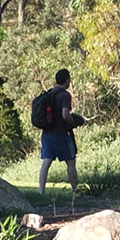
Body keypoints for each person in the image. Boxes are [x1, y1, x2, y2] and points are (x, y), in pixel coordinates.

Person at [38, 68, 83, 197]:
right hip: (61, 134)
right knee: (71, 161)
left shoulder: (49, 93)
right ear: (67, 80)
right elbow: (65, 115)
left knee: (46, 162)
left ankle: (41, 192)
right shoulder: (64, 95)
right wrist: (73, 122)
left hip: (47, 133)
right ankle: (76, 191)